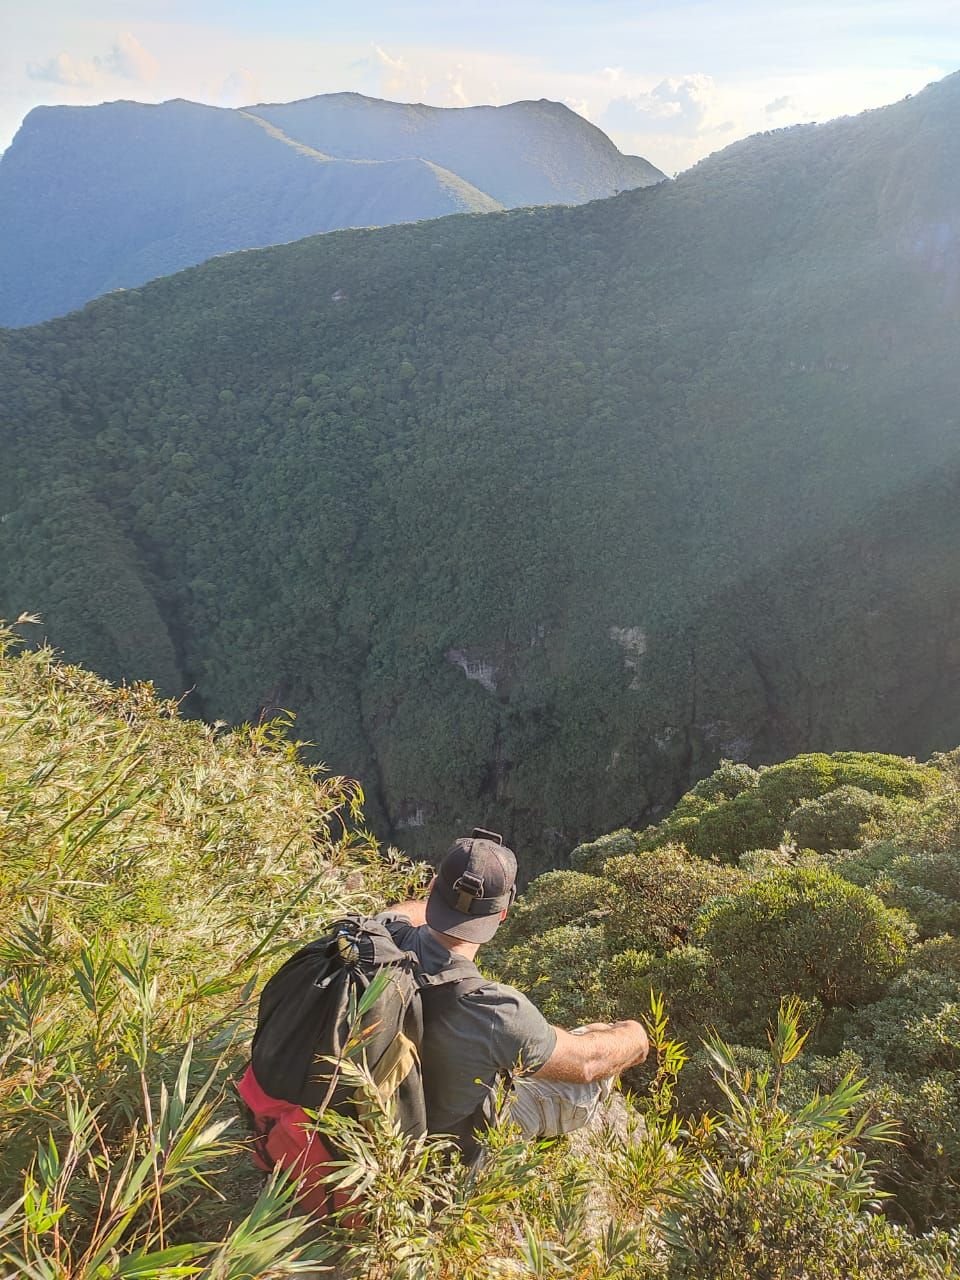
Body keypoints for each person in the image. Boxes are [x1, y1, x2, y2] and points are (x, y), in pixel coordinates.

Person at [379, 829, 650, 1153]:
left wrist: (450, 901)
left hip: (373, 1117)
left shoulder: (381, 937)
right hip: (438, 1153)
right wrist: (635, 1036)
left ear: (432, 887)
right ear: (503, 913)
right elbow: (586, 1064)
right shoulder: (496, 1010)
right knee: (589, 1059)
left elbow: (400, 912)